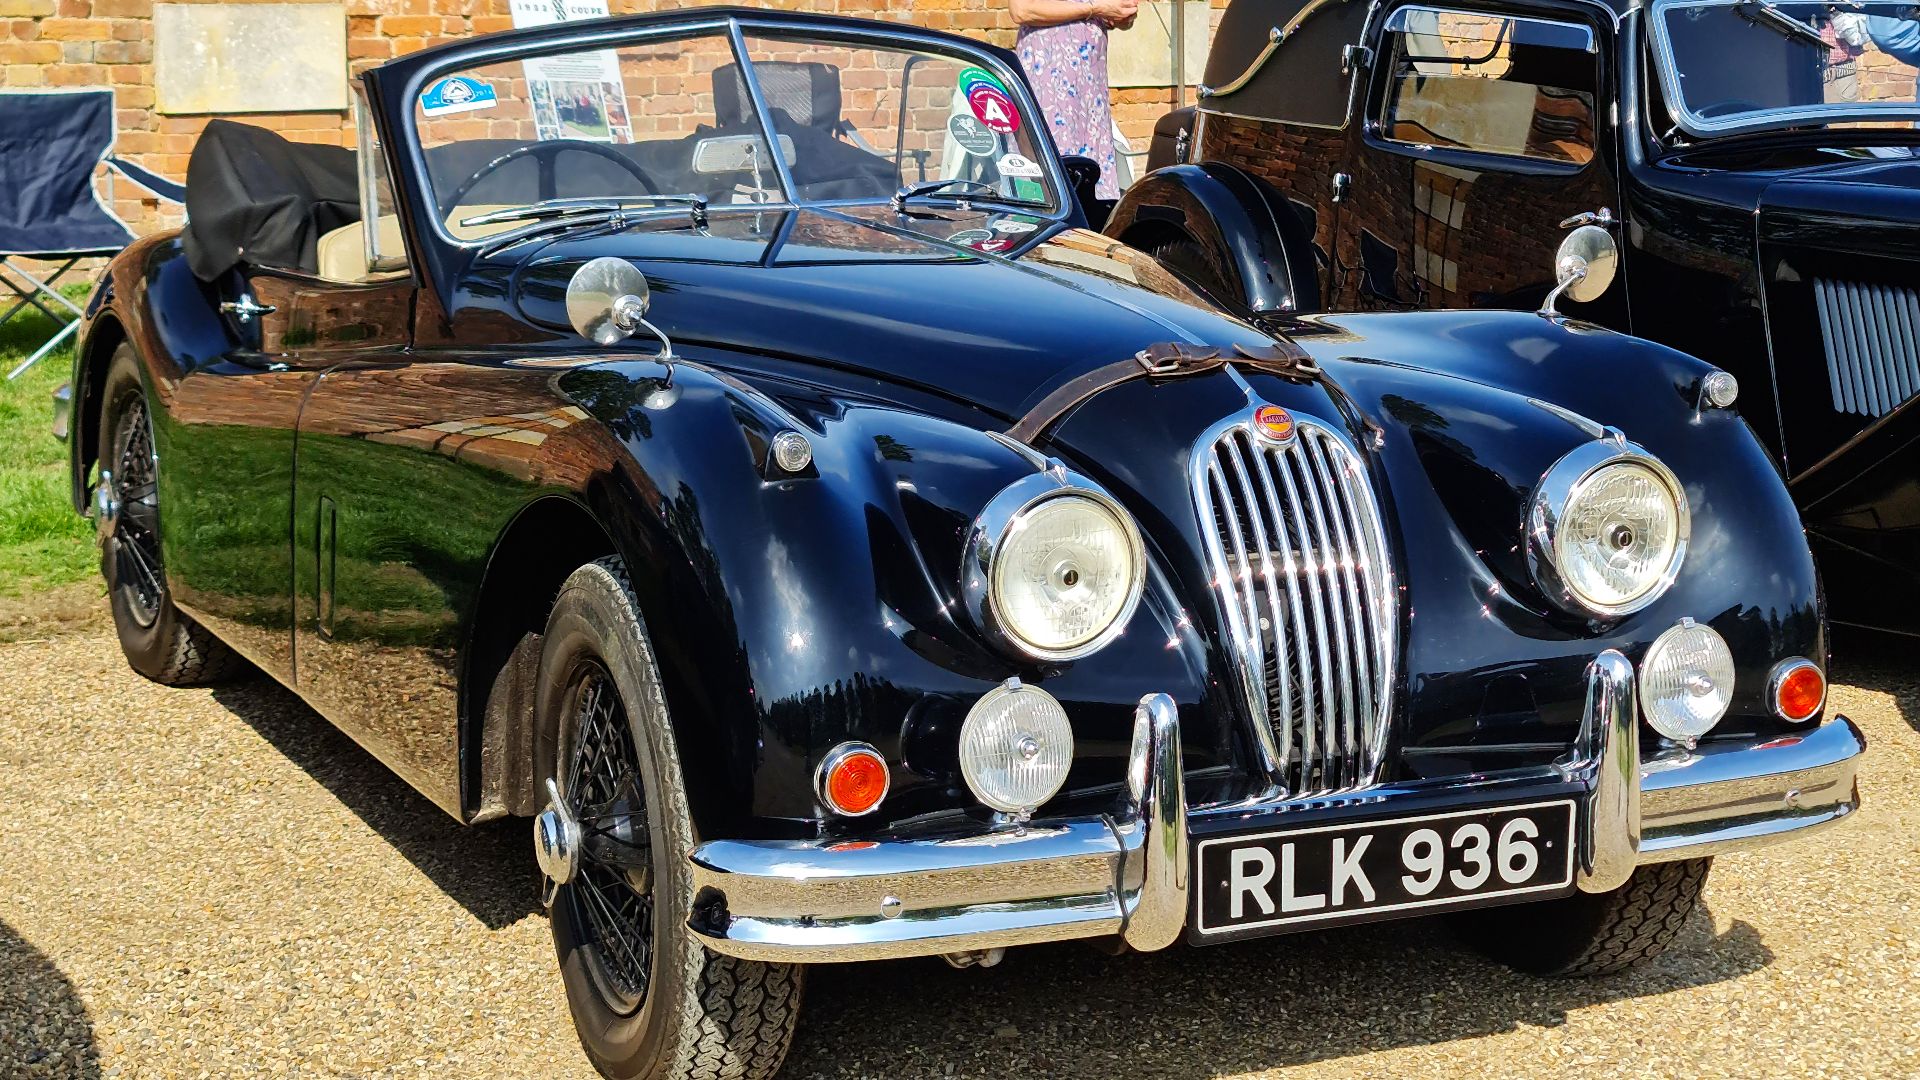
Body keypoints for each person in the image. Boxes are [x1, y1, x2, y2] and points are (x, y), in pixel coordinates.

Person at [1011, 0, 1139, 199]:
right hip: (1049, 71)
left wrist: (1122, 13)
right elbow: (1022, 10)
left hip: (1090, 82)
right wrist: (1095, 8)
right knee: (1051, 165)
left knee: (1090, 171)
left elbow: (1119, 13)